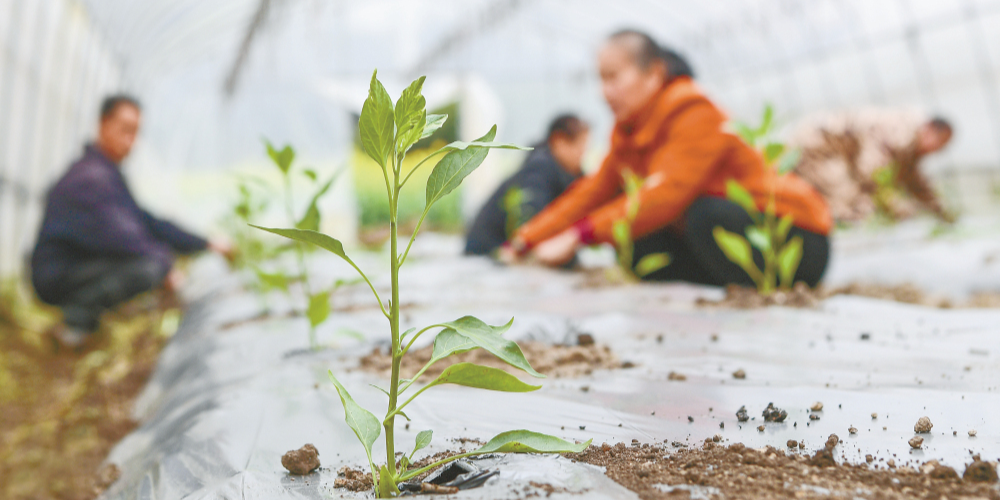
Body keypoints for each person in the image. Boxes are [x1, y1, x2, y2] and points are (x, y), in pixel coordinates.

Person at [504, 30, 832, 287]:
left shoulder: (695, 112)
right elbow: (591, 192)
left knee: (702, 212)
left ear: (654, 74)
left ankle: (757, 293)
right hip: (728, 239)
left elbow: (664, 195)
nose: (604, 91)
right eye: (600, 79)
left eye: (613, 76)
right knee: (636, 240)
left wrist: (579, 236)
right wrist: (526, 239)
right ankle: (715, 292)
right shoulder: (630, 132)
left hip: (796, 239)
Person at [31, 95, 230, 348]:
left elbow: (147, 222)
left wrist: (206, 243)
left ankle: (80, 320)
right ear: (102, 125)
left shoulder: (107, 174)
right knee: (148, 267)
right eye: (124, 130)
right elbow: (123, 236)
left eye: (135, 132)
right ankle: (74, 326)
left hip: (76, 267)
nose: (130, 141)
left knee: (151, 261)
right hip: (56, 274)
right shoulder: (90, 179)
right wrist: (167, 266)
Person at [789, 109, 954, 222]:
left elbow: (915, 181)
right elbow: (869, 172)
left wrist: (941, 211)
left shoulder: (912, 143)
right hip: (816, 149)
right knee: (850, 203)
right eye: (940, 142)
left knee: (857, 201)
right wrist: (895, 206)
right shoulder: (900, 135)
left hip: (832, 153)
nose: (938, 150)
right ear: (929, 129)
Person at [464, 114, 589, 256]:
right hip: (486, 250)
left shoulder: (564, 171)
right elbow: (533, 220)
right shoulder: (540, 170)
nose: (583, 153)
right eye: (581, 145)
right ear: (559, 141)